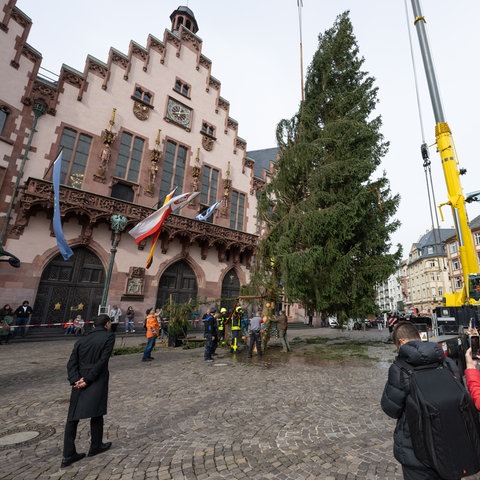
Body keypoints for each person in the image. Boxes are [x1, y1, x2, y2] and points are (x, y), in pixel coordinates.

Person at [381, 320, 461, 480]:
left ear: (401, 342)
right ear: (419, 336)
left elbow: (390, 408)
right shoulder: (447, 362)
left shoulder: (400, 368)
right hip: (451, 444)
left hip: (416, 451)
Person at [61, 314, 115, 468]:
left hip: (79, 381)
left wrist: (75, 379)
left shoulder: (81, 340)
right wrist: (88, 379)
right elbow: (103, 360)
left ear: (92, 325)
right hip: (95, 379)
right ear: (107, 324)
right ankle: (95, 445)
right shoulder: (108, 337)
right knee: (97, 413)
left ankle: (68, 454)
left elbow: (71, 362)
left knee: (72, 418)